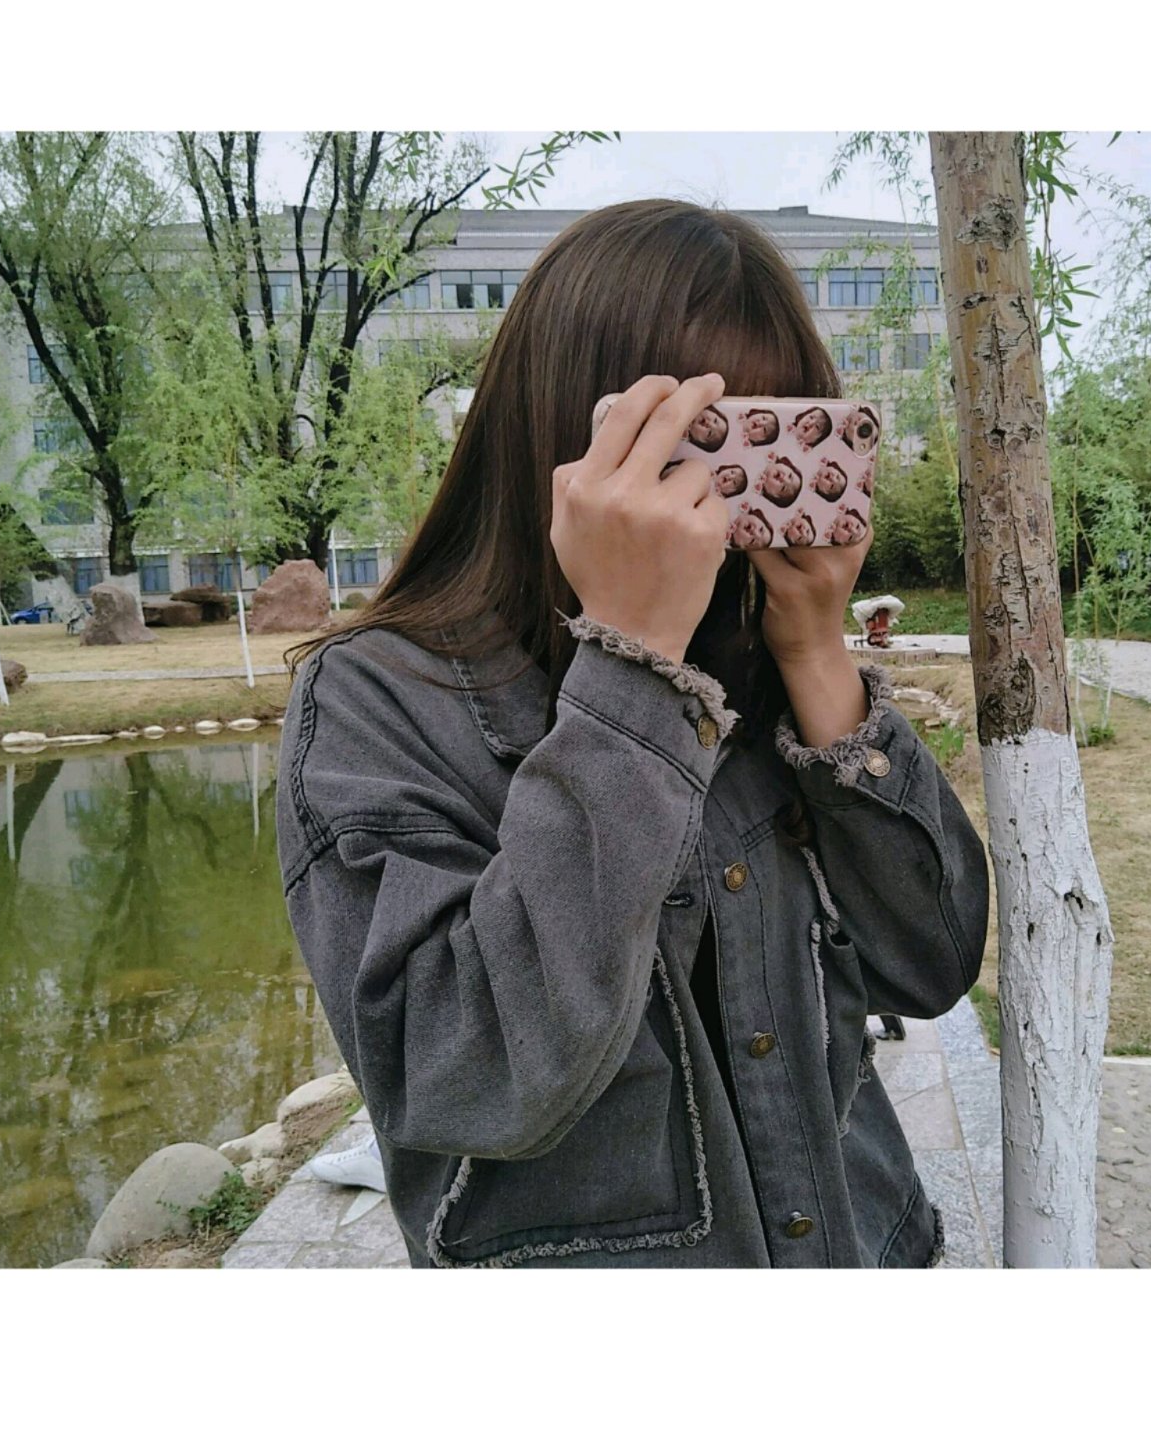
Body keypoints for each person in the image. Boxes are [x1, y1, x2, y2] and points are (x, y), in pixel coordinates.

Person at [276, 198, 989, 1269]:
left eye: (772, 432)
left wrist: (815, 651)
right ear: (573, 430)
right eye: (697, 442)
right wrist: (632, 668)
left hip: (864, 1241)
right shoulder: (379, 699)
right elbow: (463, 1075)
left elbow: (930, 963)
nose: (732, 485)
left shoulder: (759, 654)